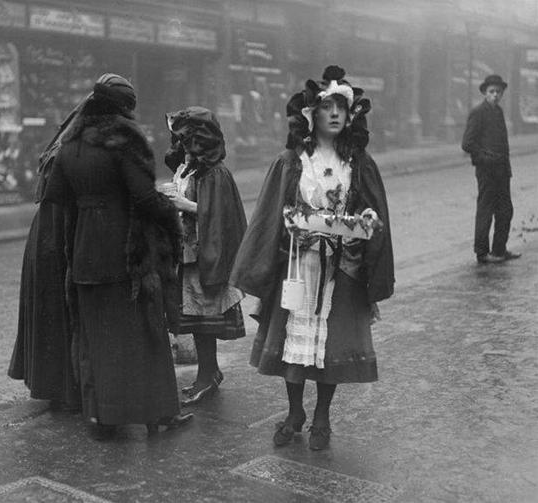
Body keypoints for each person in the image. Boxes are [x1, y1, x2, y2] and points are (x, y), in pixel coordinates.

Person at [230, 66, 394, 450]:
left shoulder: (358, 163)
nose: (335, 114)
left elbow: (372, 211)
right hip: (298, 266)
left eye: (341, 107)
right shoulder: (292, 161)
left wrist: (366, 223)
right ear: (311, 114)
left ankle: (321, 415)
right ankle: (294, 412)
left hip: (342, 268)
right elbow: (272, 215)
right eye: (327, 107)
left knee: (331, 346)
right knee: (294, 344)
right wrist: (292, 231)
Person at [41, 73, 192, 436]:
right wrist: (171, 215)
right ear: (125, 107)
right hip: (128, 253)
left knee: (96, 336)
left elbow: (55, 196)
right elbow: (143, 196)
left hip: (84, 253)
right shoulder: (125, 139)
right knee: (145, 330)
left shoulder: (71, 143)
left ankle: (102, 417)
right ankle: (159, 414)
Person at [8, 94, 88, 412]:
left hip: (43, 234)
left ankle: (53, 385)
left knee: (49, 310)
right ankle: (67, 387)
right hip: (57, 233)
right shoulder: (74, 150)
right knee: (62, 309)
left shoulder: (59, 145)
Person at [164, 107, 247, 406]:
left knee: (204, 320)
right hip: (188, 254)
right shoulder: (189, 168)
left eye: (187, 140)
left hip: (205, 256)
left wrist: (183, 203)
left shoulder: (215, 173)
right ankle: (208, 374)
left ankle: (207, 376)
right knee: (196, 319)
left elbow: (218, 215)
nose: (181, 145)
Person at [461, 74, 521, 264]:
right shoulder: (479, 112)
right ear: (485, 93)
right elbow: (467, 143)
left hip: (502, 171)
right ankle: (482, 253)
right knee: (486, 210)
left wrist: (505, 166)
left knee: (505, 210)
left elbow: (502, 143)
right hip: (487, 172)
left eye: (498, 92)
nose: (495, 95)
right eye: (491, 92)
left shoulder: (498, 112)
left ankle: (499, 250)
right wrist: (485, 159)